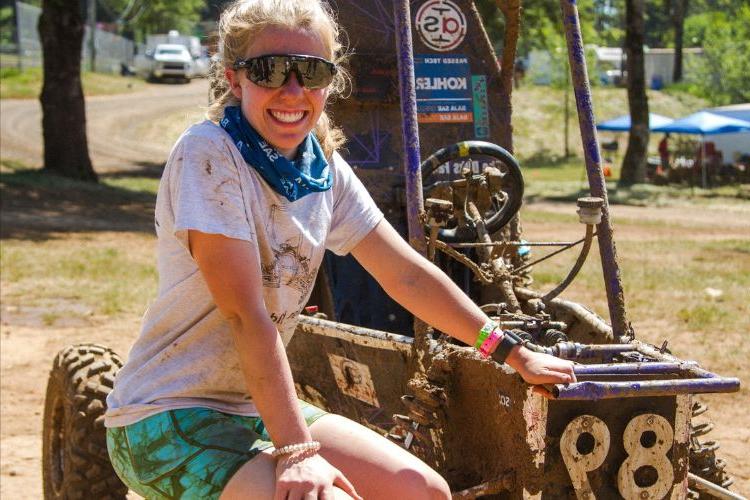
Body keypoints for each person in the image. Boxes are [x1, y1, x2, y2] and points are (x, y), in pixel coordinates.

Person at [104, 1, 576, 499]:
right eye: (270, 71)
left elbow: (406, 275)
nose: (292, 90)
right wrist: (298, 452)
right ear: (235, 79)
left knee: (423, 491)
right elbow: (246, 315)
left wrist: (511, 352)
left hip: (251, 408)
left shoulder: (322, 168)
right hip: (165, 415)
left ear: (330, 81)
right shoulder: (209, 154)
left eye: (310, 71)